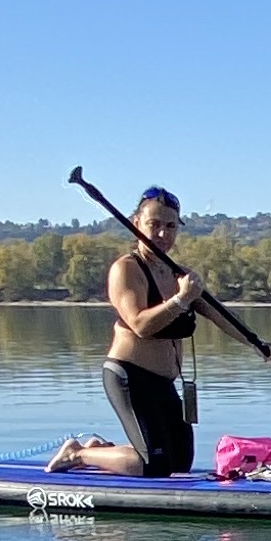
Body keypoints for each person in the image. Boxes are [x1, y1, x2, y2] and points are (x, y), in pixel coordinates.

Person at [47, 189, 205, 473]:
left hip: (164, 385)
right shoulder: (127, 269)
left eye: (170, 226)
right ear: (136, 224)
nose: (162, 234)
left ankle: (101, 450)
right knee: (154, 464)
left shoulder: (180, 275)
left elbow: (222, 317)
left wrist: (261, 346)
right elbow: (140, 324)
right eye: (154, 224)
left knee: (180, 464)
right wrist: (181, 299)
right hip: (129, 378)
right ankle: (78, 454)